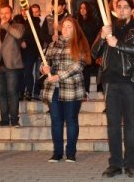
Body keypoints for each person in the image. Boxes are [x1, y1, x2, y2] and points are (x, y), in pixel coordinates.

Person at [91, 0, 134, 178]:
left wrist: (118, 44)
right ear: (115, 10)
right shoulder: (108, 28)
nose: (122, 10)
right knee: (113, 125)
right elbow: (93, 53)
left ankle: (130, 164)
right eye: (119, 7)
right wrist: (102, 36)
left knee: (130, 125)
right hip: (110, 81)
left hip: (129, 81)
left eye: (126, 7)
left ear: (132, 10)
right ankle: (115, 164)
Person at [40, 17, 91, 162]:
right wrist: (44, 69)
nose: (66, 29)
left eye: (70, 27)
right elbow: (44, 63)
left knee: (71, 120)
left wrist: (58, 76)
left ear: (75, 29)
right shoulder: (52, 45)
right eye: (64, 26)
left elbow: (77, 66)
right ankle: (57, 153)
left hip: (71, 88)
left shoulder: (79, 44)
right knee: (56, 121)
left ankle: (71, 153)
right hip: (53, 89)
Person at [0, 5, 25, 127]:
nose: (4, 15)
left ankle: (14, 119)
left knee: (12, 92)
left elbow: (17, 35)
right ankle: (4, 119)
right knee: (1, 93)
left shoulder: (18, 26)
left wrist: (6, 25)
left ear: (11, 14)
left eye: (7, 13)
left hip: (12, 65)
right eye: (1, 13)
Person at [75, 1, 102, 94]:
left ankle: (90, 89)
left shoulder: (92, 21)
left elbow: (94, 35)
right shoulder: (77, 21)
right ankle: (83, 90)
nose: (82, 10)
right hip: (80, 48)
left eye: (84, 8)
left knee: (88, 69)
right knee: (82, 69)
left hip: (90, 47)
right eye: (81, 8)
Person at [19, 5, 43, 101]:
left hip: (31, 50)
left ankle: (29, 91)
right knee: (21, 71)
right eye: (23, 10)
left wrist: (26, 42)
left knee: (28, 71)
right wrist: (21, 41)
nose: (25, 12)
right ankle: (21, 91)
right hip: (20, 51)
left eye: (26, 10)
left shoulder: (35, 21)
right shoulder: (18, 21)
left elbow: (36, 36)